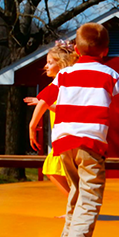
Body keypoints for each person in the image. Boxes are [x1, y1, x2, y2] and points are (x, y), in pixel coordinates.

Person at [29, 23, 119, 237]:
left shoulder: (65, 74)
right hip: (91, 144)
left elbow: (44, 99)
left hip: (63, 144)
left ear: (76, 50)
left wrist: (33, 126)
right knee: (90, 199)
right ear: (106, 51)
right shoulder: (110, 74)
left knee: (76, 192)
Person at [24, 40, 78, 196]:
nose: (46, 66)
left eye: (49, 62)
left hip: (66, 137)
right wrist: (42, 103)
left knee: (51, 169)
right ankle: (76, 202)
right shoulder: (65, 84)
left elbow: (65, 110)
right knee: (66, 174)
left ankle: (75, 203)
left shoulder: (61, 84)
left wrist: (43, 106)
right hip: (67, 137)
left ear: (61, 64)